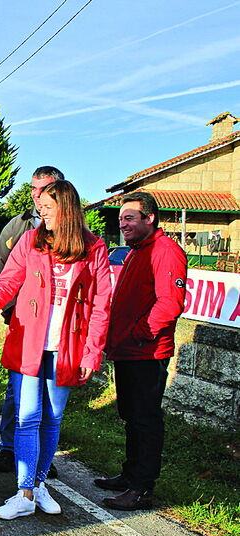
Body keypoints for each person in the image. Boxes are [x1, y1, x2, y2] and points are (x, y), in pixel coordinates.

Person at [0, 180, 111, 519]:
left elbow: (101, 305)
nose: (42, 212)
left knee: (52, 421)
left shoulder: (94, 248)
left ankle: (37, 485)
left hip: (67, 349)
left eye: (48, 207)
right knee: (26, 418)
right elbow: (8, 280)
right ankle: (23, 493)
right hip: (29, 346)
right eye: (40, 208)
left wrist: (92, 353)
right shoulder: (32, 241)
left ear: (66, 209)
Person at [97, 192, 186, 510]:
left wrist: (137, 335)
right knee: (131, 417)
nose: (123, 224)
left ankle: (142, 488)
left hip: (147, 353)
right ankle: (130, 475)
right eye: (121, 219)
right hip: (128, 351)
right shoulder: (137, 250)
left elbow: (170, 303)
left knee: (145, 419)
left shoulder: (166, 251)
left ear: (150, 218)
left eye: (130, 218)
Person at [0, 166, 65, 475]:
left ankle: (41, 458)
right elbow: (1, 273)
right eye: (33, 188)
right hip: (23, 326)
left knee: (51, 401)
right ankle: (10, 448)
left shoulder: (79, 235)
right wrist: (8, 312)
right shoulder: (16, 227)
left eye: (44, 188)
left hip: (57, 333)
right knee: (18, 394)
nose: (37, 195)